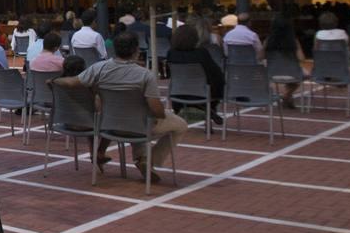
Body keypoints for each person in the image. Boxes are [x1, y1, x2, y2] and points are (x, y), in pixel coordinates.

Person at [53, 31, 187, 183]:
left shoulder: (98, 68)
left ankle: (143, 159)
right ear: (136, 50)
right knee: (180, 125)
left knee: (138, 116)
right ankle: (150, 161)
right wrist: (161, 113)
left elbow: (71, 82)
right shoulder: (145, 75)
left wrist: (54, 81)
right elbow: (156, 110)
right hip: (138, 125)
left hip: (110, 125)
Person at [166, 25, 225, 128]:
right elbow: (214, 72)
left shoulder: (171, 53)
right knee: (216, 82)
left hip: (178, 92)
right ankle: (207, 109)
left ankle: (199, 108)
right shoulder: (201, 53)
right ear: (194, 38)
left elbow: (169, 73)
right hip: (200, 92)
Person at [264, 15, 306, 109]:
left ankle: (288, 99)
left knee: (292, 76)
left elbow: (261, 56)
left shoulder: (268, 41)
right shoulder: (293, 41)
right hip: (292, 72)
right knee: (301, 77)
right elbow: (302, 58)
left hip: (272, 72)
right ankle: (286, 95)